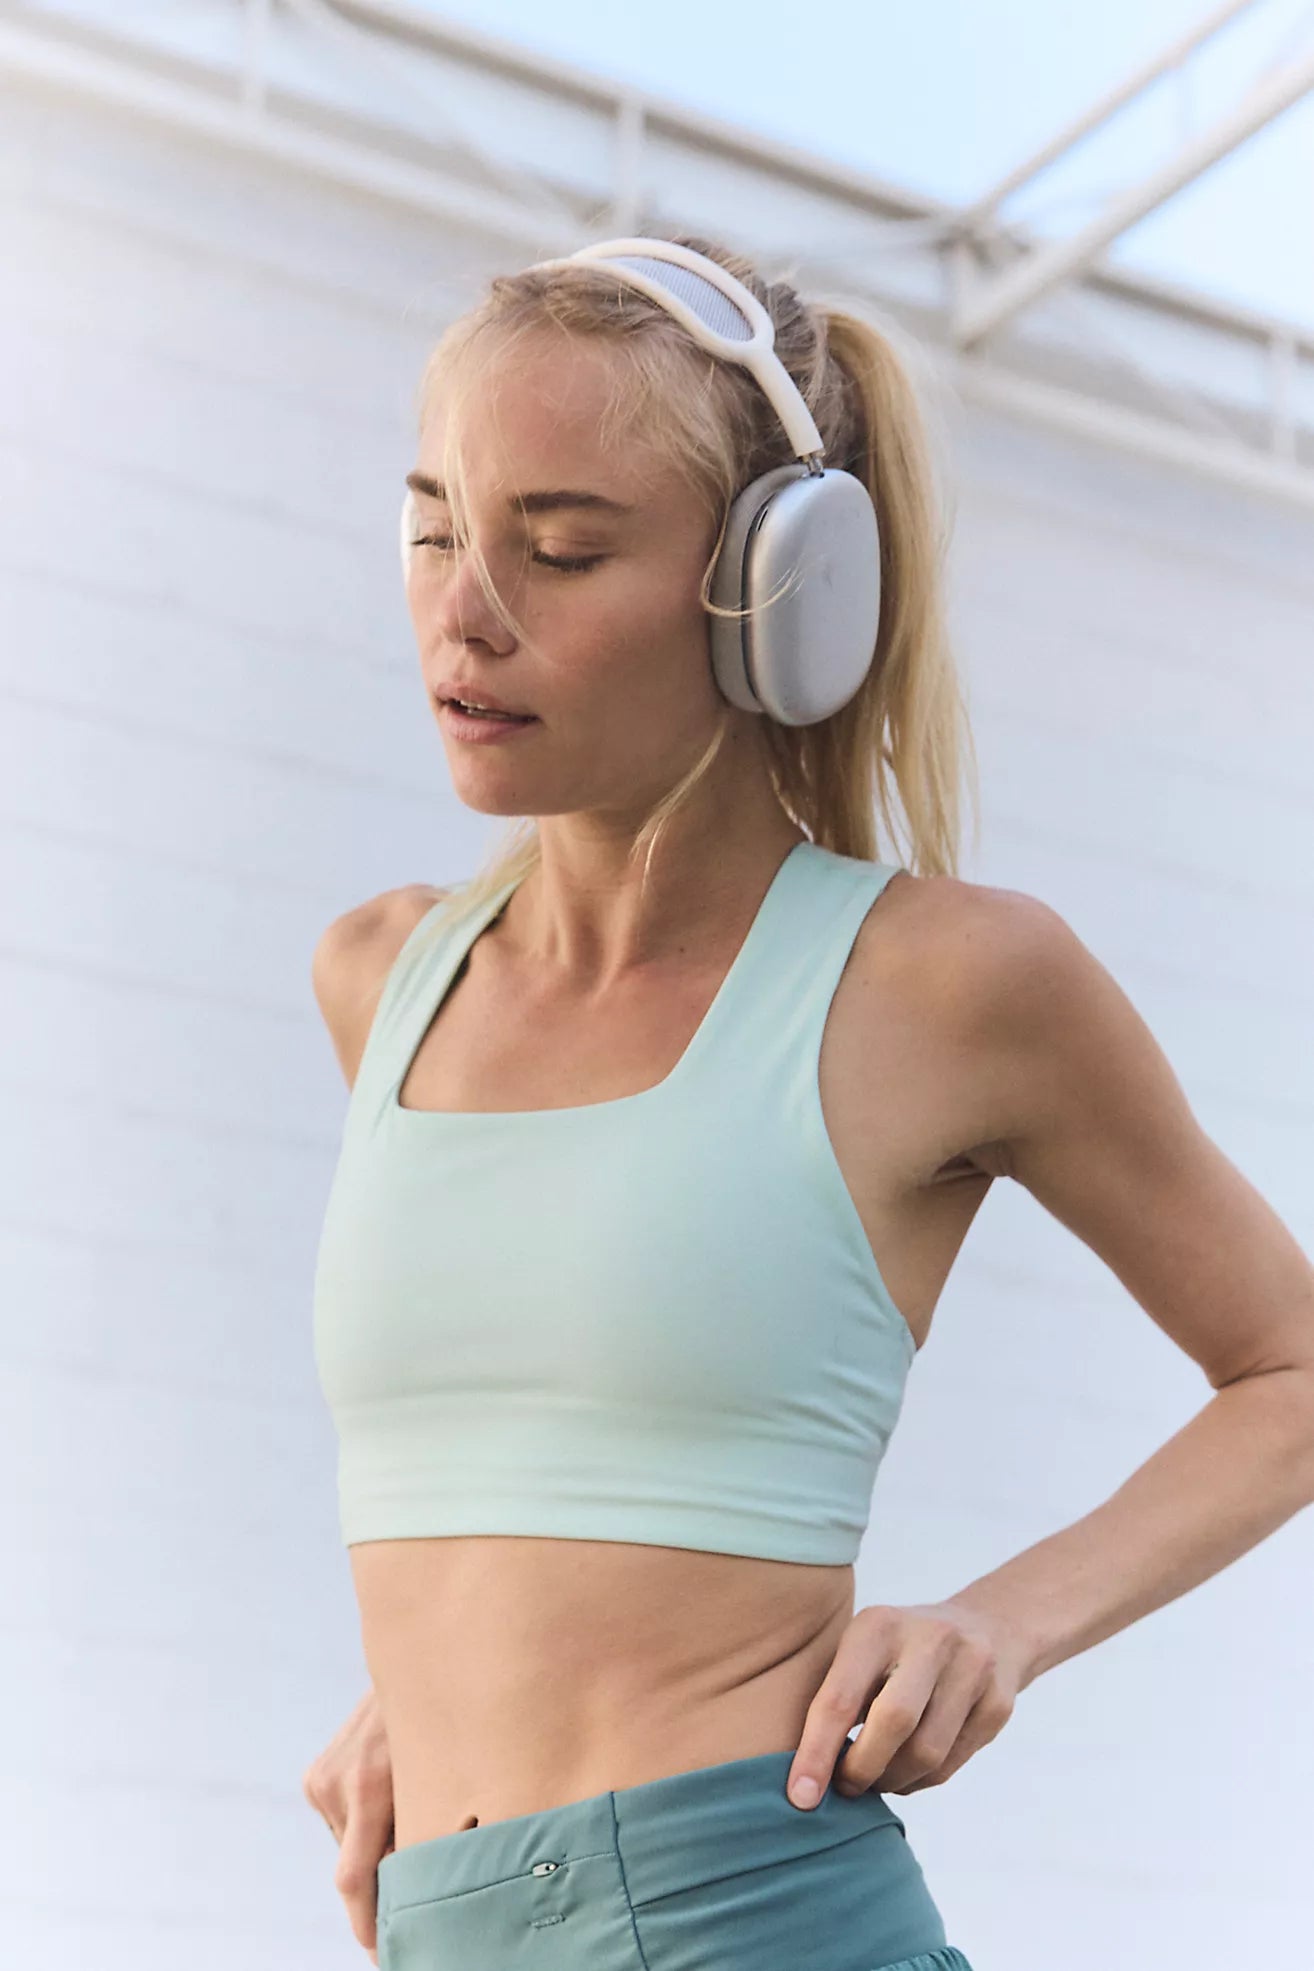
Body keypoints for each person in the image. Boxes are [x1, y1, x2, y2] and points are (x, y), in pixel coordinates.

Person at [302, 233, 1314, 1969]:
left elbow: (1287, 1370)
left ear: (781, 591)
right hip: (447, 1933)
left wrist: (999, 1625)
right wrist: (438, 1695)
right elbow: (539, 1458)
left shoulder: (951, 985)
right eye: (434, 529)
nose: (465, 611)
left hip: (750, 1918)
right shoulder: (380, 979)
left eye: (561, 550)